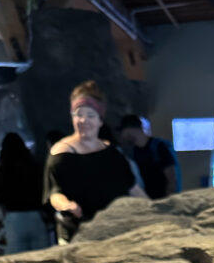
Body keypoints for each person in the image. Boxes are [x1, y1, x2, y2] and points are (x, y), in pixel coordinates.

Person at [45, 81, 147, 244]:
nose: (84, 120)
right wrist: (67, 205)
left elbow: (132, 187)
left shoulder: (112, 153)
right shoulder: (61, 153)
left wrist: (154, 210)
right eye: (79, 114)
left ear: (100, 120)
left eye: (90, 115)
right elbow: (54, 193)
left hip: (117, 233)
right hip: (80, 234)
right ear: (72, 117)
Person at [0, 133, 49, 254]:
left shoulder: (3, 170)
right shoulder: (33, 166)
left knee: (18, 260)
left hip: (13, 217)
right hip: (35, 215)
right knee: (42, 258)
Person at [118, 114, 181, 200]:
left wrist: (168, 201)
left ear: (129, 129)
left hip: (163, 201)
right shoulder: (134, 152)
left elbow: (172, 178)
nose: (121, 136)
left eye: (122, 131)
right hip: (146, 201)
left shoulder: (159, 146)